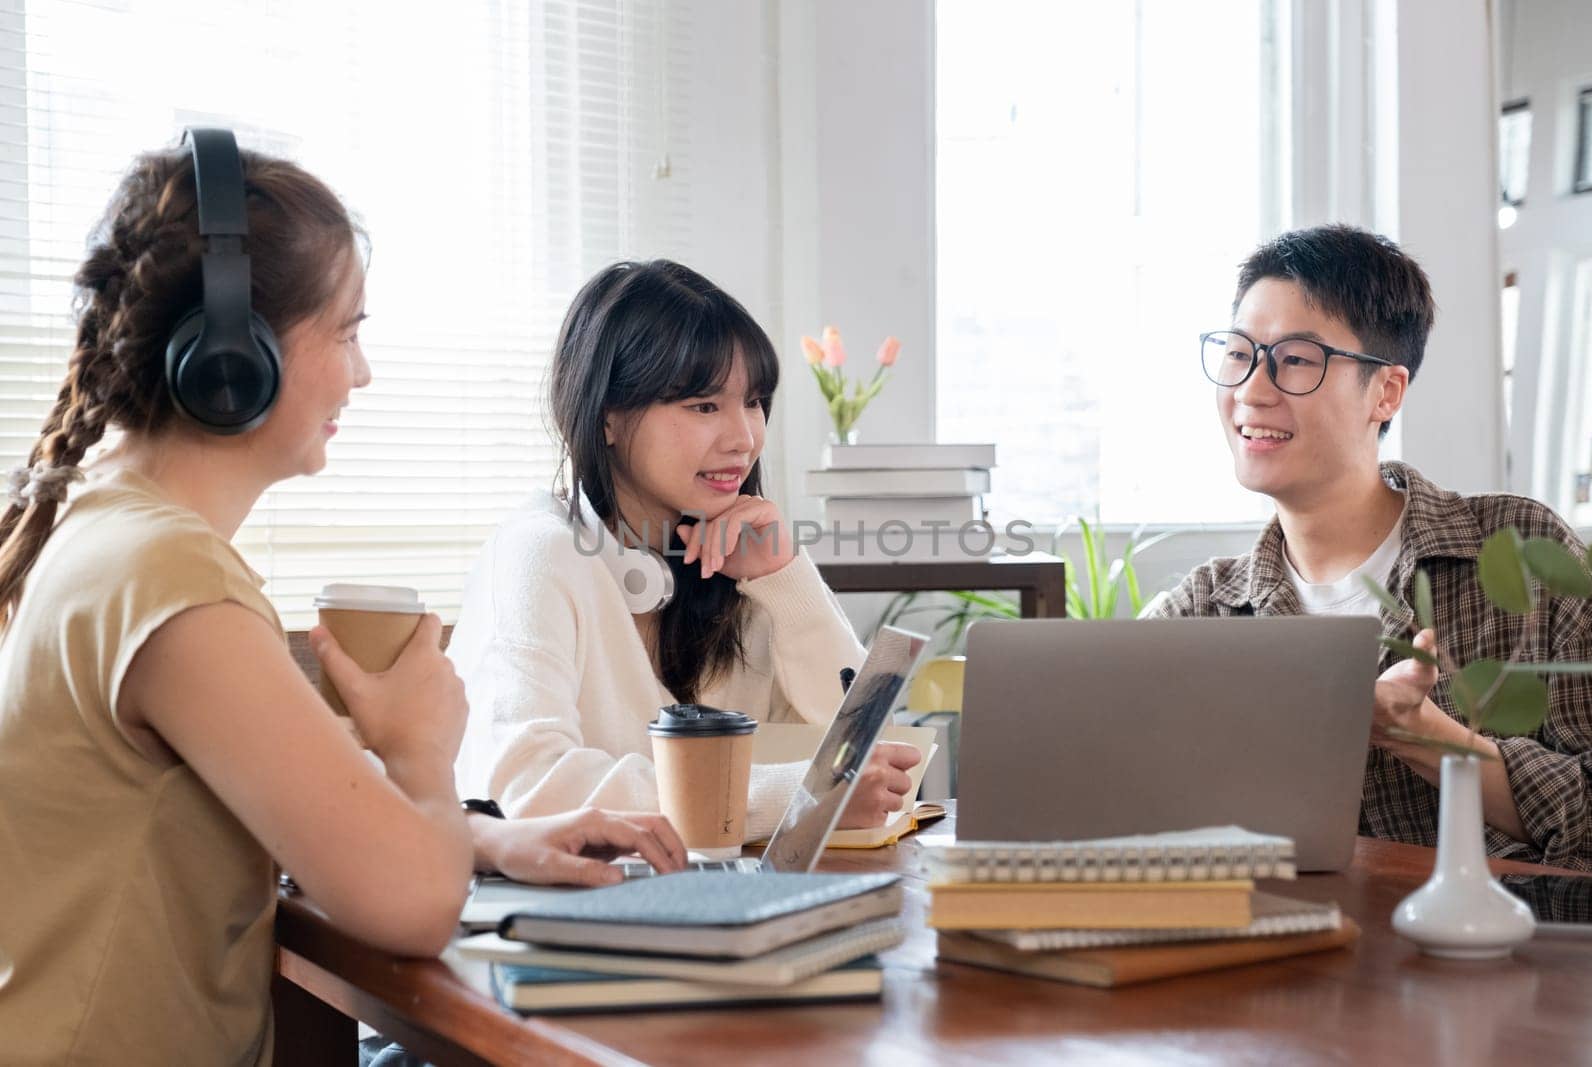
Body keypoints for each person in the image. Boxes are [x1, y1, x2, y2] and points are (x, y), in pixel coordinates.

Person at [0, 135, 679, 1066]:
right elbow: (410, 907)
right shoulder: (166, 578)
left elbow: (268, 816)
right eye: (349, 331)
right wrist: (420, 749)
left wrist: (489, 839)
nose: (364, 374)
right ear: (234, 358)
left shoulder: (116, 535)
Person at [1145, 223, 1592, 872]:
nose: (1252, 388)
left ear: (1385, 391)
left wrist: (1430, 740)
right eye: (1239, 352)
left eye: (1295, 359)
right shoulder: (1202, 609)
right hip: (1276, 960)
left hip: (1496, 962)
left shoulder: (1519, 554)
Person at [450, 259, 921, 839]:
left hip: (718, 898)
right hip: (572, 913)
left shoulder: (735, 558)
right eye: (704, 406)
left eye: (753, 402)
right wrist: (795, 796)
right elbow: (525, 787)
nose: (743, 438)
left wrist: (786, 580)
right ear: (608, 418)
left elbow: (873, 767)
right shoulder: (539, 553)